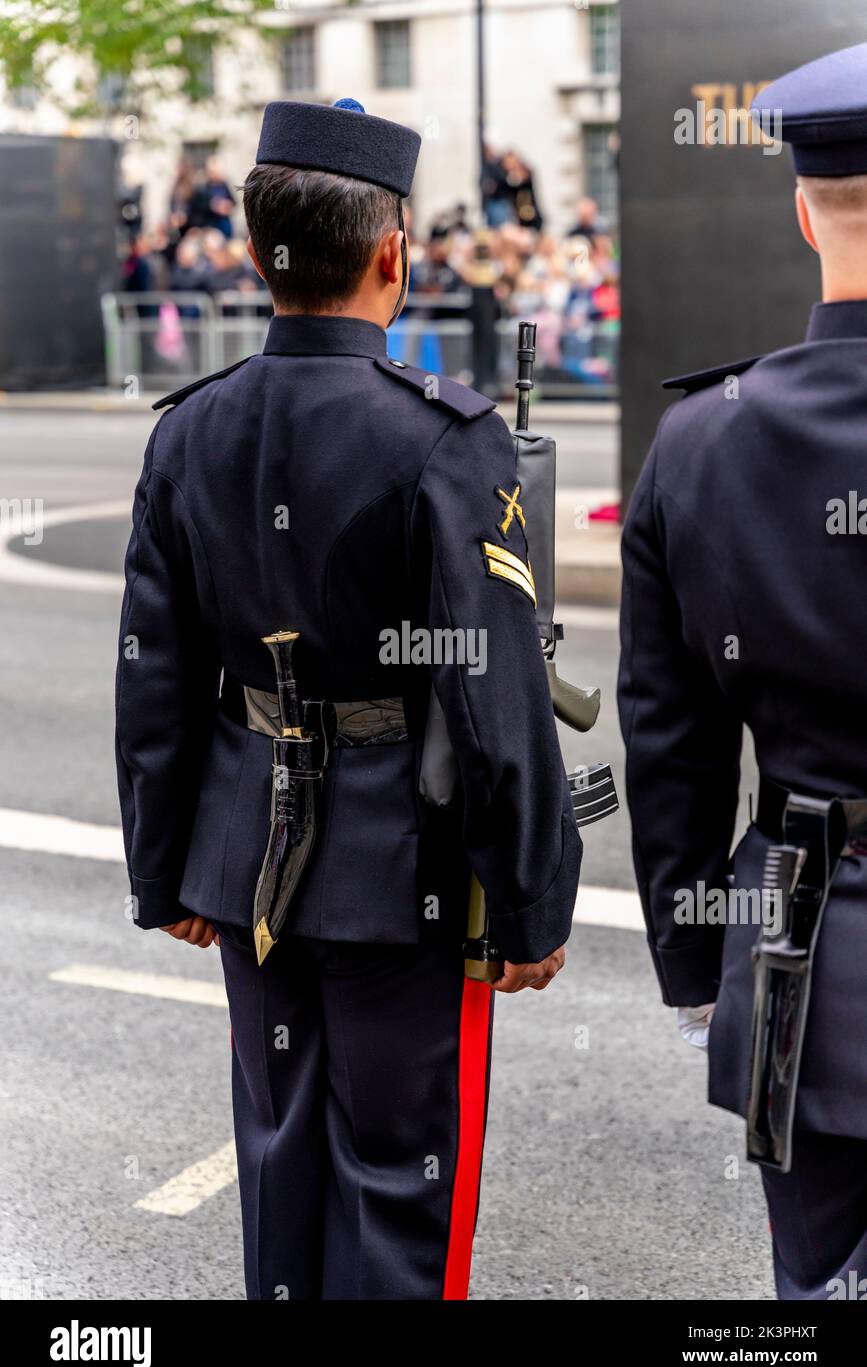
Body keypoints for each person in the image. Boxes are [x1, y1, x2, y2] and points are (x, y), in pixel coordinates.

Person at [115, 96, 581, 1302]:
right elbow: (495, 699)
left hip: (247, 870)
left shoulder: (188, 431)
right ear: (393, 254)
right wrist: (529, 900)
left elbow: (155, 678)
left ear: (257, 249)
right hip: (404, 873)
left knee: (280, 1168)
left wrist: (164, 870)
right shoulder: (441, 438)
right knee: (400, 1195)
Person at [618, 42, 867, 1302]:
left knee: (815, 1288)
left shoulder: (701, 442)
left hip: (795, 945)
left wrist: (687, 963)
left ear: (799, 207)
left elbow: (670, 742)